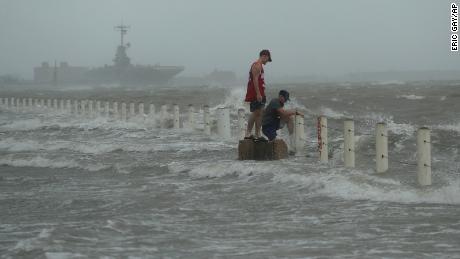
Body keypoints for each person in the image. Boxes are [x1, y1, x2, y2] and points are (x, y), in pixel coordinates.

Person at [244, 49, 272, 140]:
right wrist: (258, 94)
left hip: (260, 93)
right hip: (256, 93)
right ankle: (248, 133)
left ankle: (257, 134)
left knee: (260, 113)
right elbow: (255, 80)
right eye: (267, 59)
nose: (267, 62)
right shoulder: (257, 65)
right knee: (256, 112)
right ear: (264, 56)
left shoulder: (260, 66)